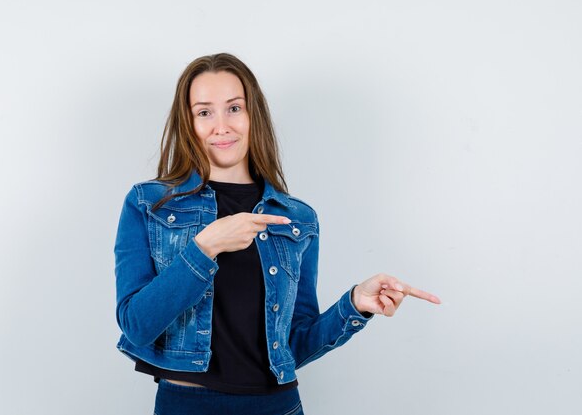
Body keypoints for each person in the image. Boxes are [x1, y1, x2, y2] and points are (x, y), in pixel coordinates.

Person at [114, 53, 441, 415]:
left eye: (234, 108)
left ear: (253, 115)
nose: (221, 126)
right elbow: (136, 325)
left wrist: (354, 304)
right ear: (187, 122)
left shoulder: (297, 218)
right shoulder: (149, 204)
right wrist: (204, 248)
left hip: (278, 406)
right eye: (204, 112)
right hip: (188, 405)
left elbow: (294, 345)